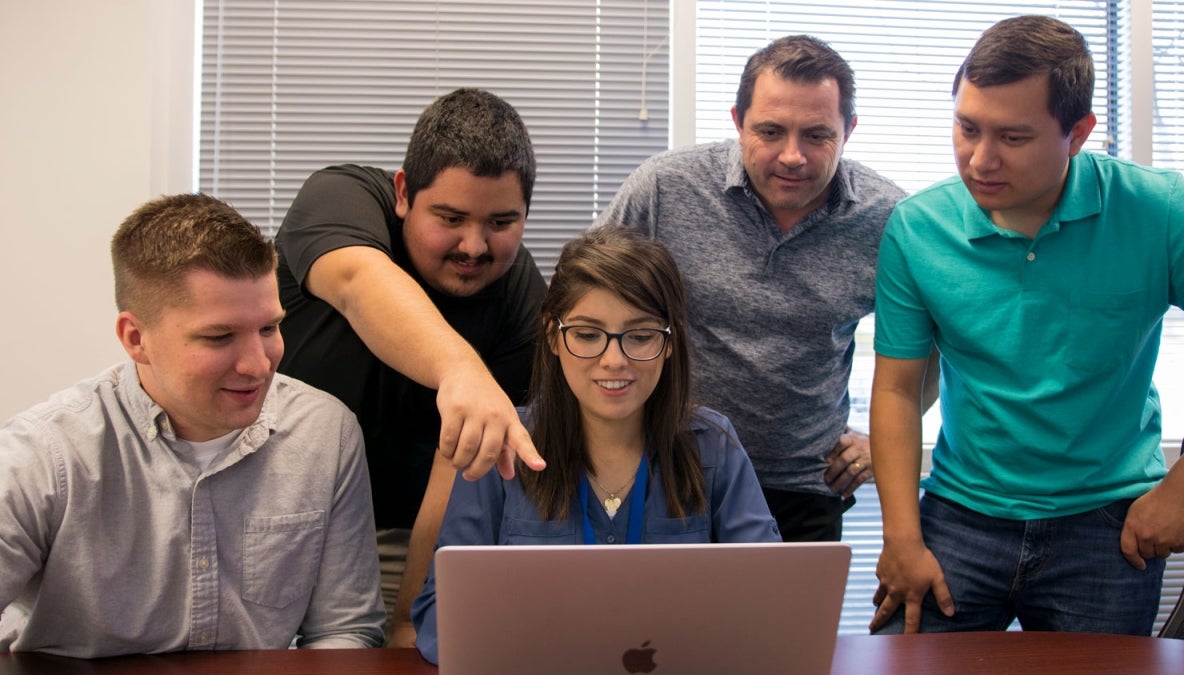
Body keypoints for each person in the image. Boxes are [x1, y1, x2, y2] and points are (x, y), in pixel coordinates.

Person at [870, 15, 1184, 636]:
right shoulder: (919, 227)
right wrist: (901, 538)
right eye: (967, 128)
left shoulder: (1158, 211)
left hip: (1107, 524)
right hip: (960, 517)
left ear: (1077, 134)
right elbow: (895, 389)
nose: (980, 159)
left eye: (1013, 138)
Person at [0, 193, 386, 657]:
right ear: (136, 338)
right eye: (219, 337)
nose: (257, 365)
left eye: (268, 329)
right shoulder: (46, 453)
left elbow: (345, 631)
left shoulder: (326, 432)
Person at [599, 35, 929, 541]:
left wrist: (878, 445)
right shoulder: (665, 189)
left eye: (817, 135)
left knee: (791, 624)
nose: (792, 156)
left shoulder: (888, 219)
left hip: (807, 486)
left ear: (850, 131)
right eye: (771, 131)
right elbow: (584, 301)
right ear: (737, 121)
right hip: (671, 470)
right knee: (657, 622)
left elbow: (938, 343)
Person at [410, 225, 782, 663]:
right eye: (587, 334)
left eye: (640, 335)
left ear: (669, 342)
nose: (613, 360)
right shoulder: (504, 448)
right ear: (553, 335)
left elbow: (772, 606)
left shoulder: (714, 448)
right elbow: (440, 616)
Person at [273, 88, 549, 642]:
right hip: (277, 526)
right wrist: (462, 372)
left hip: (405, 536)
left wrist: (408, 619)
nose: (474, 246)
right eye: (450, 217)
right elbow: (356, 282)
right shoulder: (341, 197)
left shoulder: (520, 296)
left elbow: (464, 459)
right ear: (403, 192)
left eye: (501, 222)